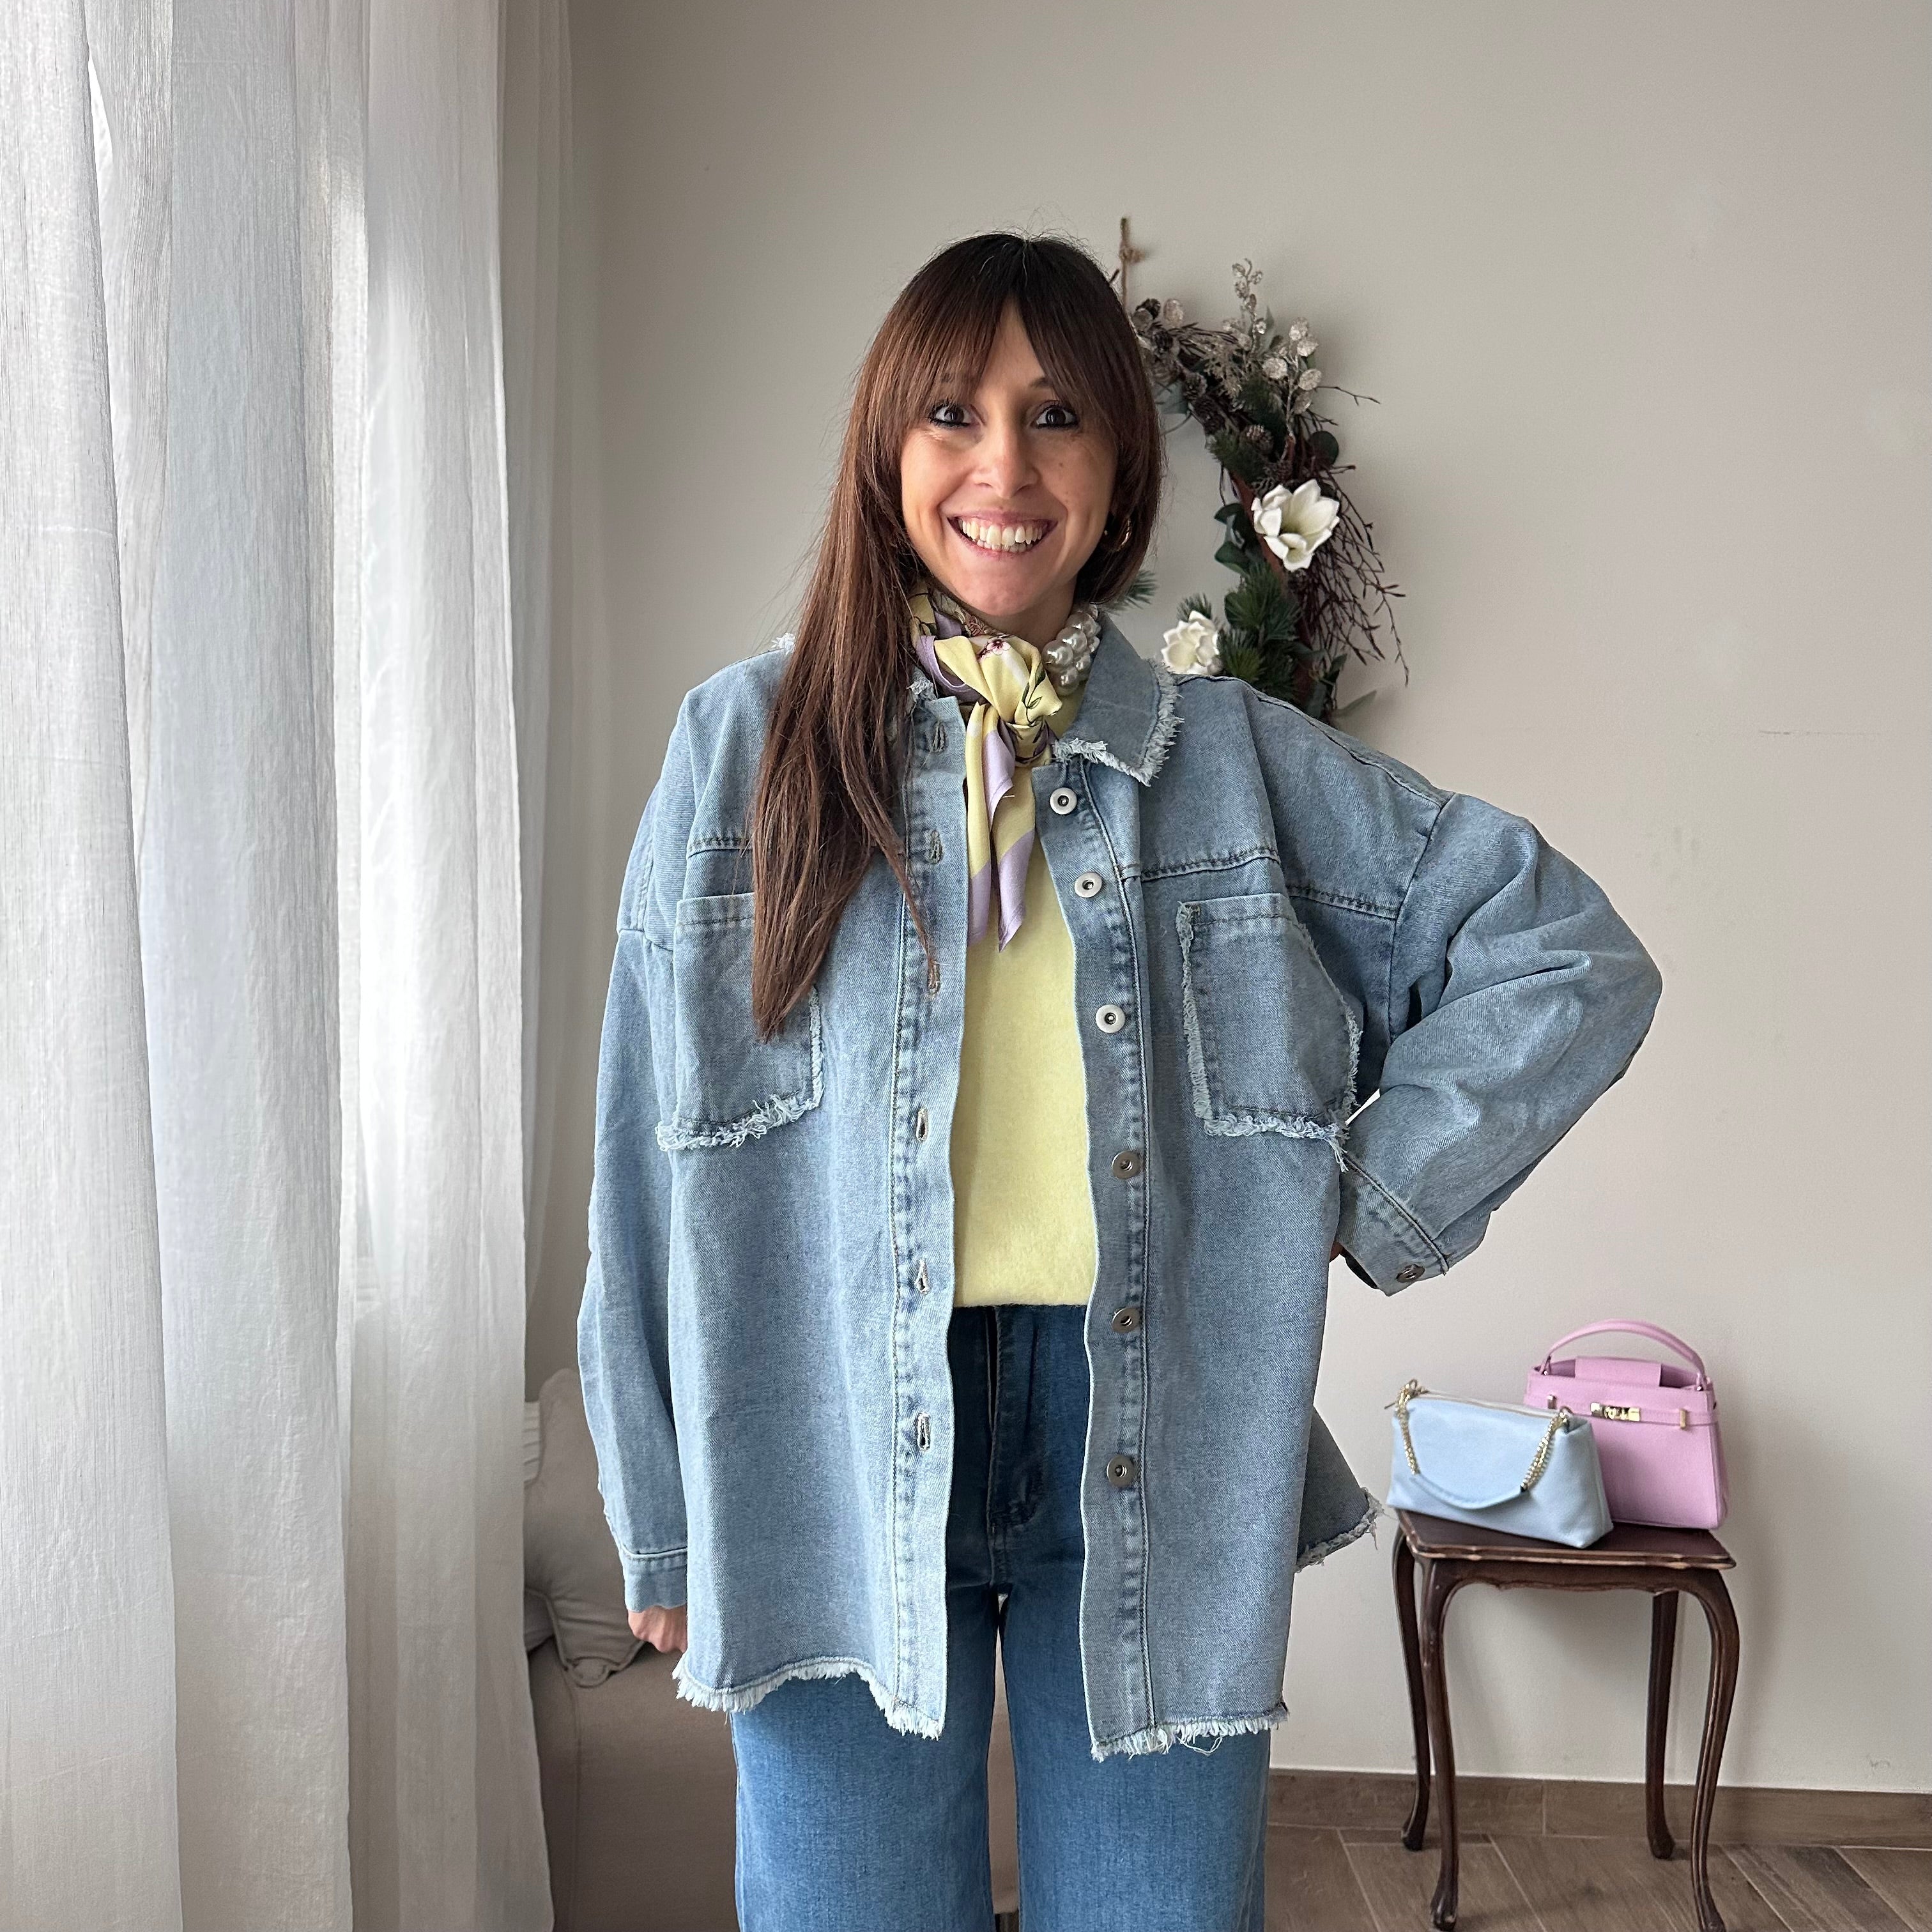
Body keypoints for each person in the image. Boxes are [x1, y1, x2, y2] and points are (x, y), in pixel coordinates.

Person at [577, 231, 1662, 1931]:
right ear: (887, 450)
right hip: (819, 1436)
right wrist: (658, 1514)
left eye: (1058, 415)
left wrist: (1361, 1199)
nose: (1003, 466)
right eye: (953, 413)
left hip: (1157, 1431)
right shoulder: (747, 749)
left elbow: (1569, 959)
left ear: (1121, 469)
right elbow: (650, 1148)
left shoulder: (1232, 762)